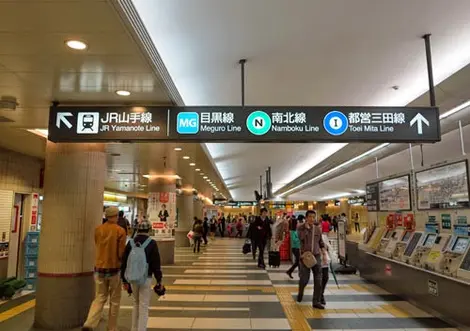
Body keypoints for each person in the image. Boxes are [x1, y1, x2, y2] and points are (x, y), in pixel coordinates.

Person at [82, 206, 126, 331]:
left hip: (99, 268)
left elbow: (97, 244)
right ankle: (111, 328)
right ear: (116, 216)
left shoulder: (98, 229)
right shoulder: (120, 231)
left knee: (100, 297)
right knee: (115, 300)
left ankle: (89, 323)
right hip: (114, 269)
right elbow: (121, 252)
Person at [121, 219, 163, 331]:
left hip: (133, 278)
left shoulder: (130, 242)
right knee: (144, 305)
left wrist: (124, 281)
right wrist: (159, 280)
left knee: (136, 303)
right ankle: (141, 329)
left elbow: (124, 262)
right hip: (146, 278)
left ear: (137, 229)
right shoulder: (152, 243)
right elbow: (156, 263)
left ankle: (134, 328)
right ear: (149, 229)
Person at [297, 210, 328, 310]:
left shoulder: (317, 229)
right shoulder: (300, 227)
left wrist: (324, 254)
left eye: (313, 217)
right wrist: (306, 229)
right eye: (309, 217)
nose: (311, 219)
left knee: (318, 279)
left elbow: (321, 242)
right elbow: (301, 238)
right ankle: (301, 290)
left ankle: (316, 301)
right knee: (304, 279)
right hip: (305, 256)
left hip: (316, 256)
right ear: (306, 218)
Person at [320, 232, 332, 306]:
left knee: (325, 277)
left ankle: (321, 293)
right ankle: (319, 296)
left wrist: (326, 250)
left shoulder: (324, 237)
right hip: (317, 260)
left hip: (324, 261)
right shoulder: (313, 236)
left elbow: (328, 247)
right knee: (318, 279)